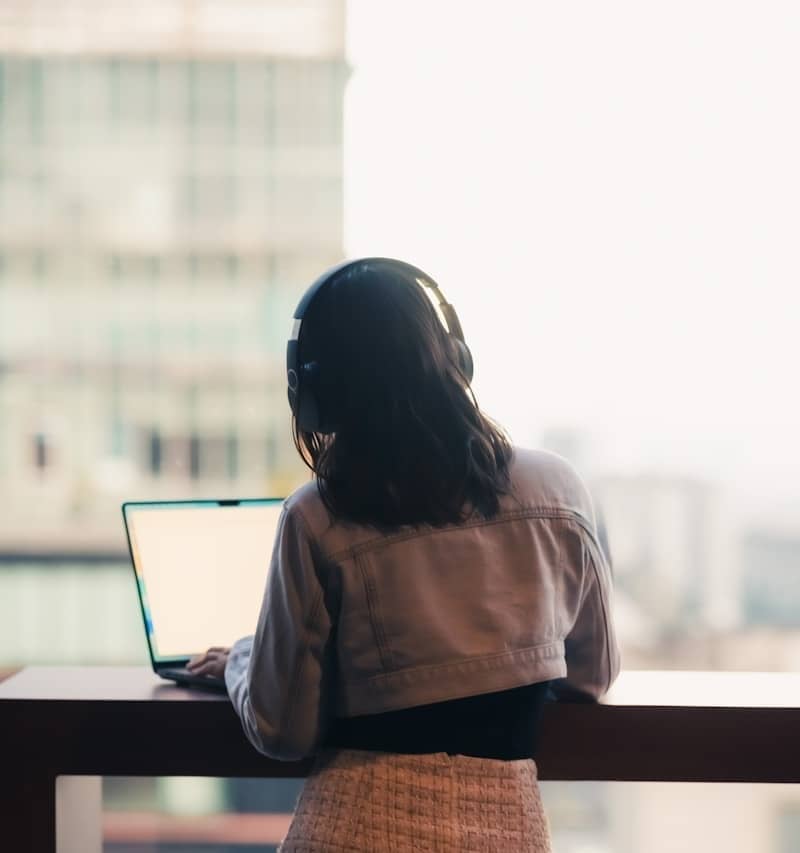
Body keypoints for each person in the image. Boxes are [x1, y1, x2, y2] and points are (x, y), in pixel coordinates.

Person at [188, 258, 620, 852]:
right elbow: (592, 676)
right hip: (506, 833)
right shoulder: (559, 494)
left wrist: (242, 661)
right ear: (457, 359)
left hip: (354, 829)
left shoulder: (315, 516)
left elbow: (282, 729)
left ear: (317, 393)